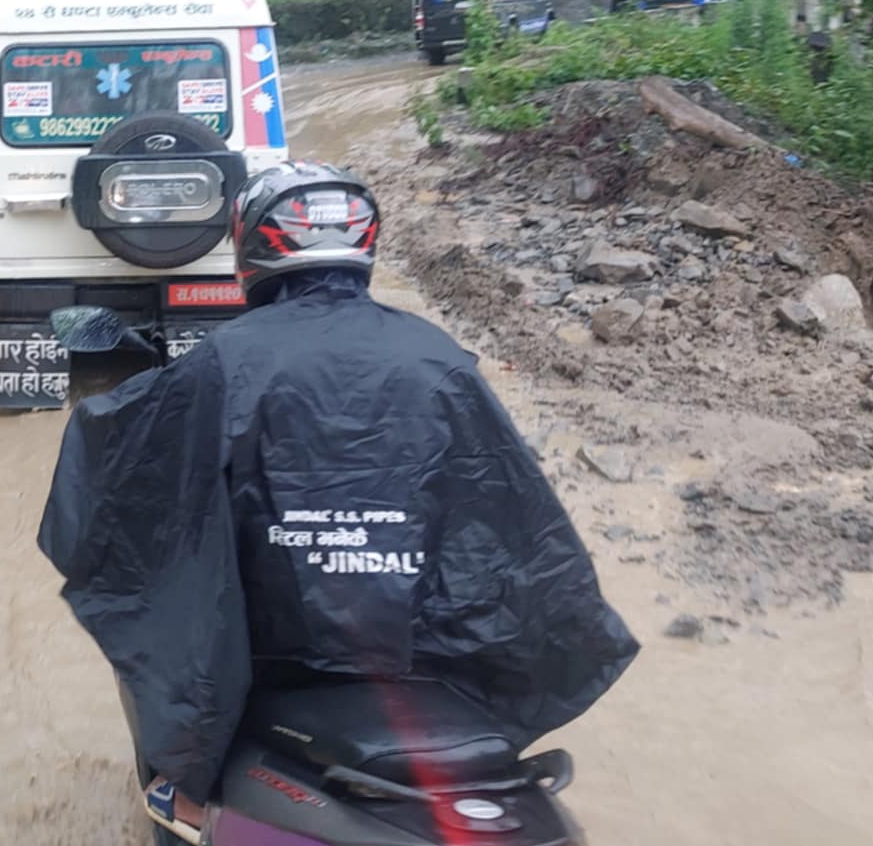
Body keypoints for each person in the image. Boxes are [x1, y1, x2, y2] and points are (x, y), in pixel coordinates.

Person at [38, 160, 638, 807]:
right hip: (412, 650)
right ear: (364, 243)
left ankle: (186, 793)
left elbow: (129, 471)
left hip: (277, 653)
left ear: (251, 248)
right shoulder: (437, 354)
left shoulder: (226, 361)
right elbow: (508, 515)